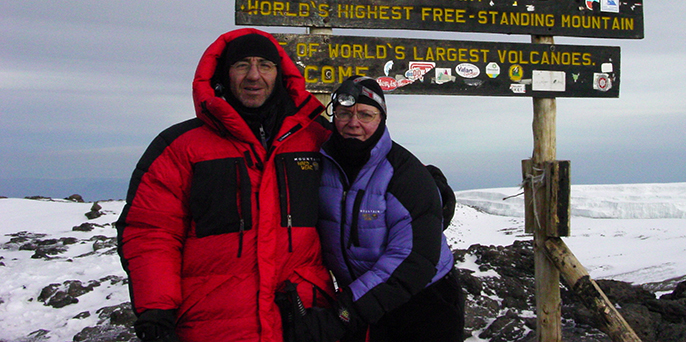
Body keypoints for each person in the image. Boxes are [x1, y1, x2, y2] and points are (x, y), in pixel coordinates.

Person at [116, 29, 335, 342]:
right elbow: (152, 231)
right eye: (242, 65)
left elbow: (367, 180)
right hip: (213, 323)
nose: (254, 76)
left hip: (305, 319)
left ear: (280, 74)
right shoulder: (180, 147)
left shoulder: (314, 139)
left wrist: (419, 181)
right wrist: (156, 310)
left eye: (265, 65)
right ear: (224, 74)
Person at [299, 76, 464, 342]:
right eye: (344, 113)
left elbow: (412, 260)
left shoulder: (404, 175)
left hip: (424, 302)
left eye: (366, 114)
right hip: (367, 301)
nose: (354, 123)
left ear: (382, 118)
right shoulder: (321, 163)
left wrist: (346, 312)